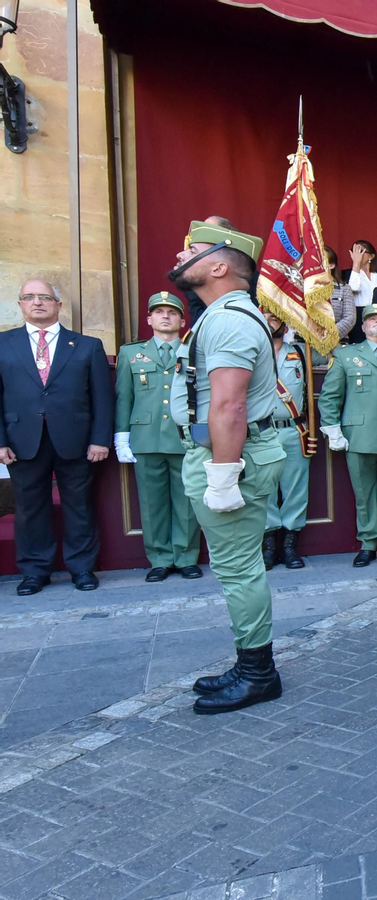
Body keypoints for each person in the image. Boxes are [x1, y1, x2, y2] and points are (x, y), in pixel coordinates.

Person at [167, 219, 287, 714]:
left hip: (231, 457)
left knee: (239, 569)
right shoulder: (221, 314)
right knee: (236, 568)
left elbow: (229, 407)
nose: (179, 254)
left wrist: (222, 474)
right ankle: (251, 663)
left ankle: (259, 673)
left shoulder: (231, 319)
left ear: (218, 264)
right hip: (226, 453)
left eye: (190, 249)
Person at [0, 280, 113, 594]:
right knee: (29, 508)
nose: (37, 302)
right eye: (29, 297)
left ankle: (81, 568)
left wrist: (100, 439)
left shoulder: (87, 346)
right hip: (22, 440)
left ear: (59, 305)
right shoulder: (3, 343)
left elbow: (102, 399)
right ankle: (35, 571)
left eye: (45, 297)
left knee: (79, 506)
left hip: (76, 441)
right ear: (20, 304)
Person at [115, 291, 203, 583]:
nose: (165, 316)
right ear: (149, 319)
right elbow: (123, 398)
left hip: (185, 438)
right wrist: (121, 437)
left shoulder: (194, 350)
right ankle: (160, 559)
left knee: (187, 502)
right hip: (147, 437)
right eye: (159, 312)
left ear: (181, 319)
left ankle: (186, 557)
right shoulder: (131, 353)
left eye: (172, 312)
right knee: (152, 504)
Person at [319, 306, 377, 566]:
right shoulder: (345, 356)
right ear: (364, 327)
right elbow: (330, 397)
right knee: (363, 493)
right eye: (371, 320)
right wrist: (332, 430)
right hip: (358, 435)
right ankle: (368, 542)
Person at [261, 309, 314, 571]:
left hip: (295, 429)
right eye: (267, 317)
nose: (272, 322)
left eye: (276, 317)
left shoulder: (301, 352)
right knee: (266, 489)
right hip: (263, 430)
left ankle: (290, 546)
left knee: (295, 488)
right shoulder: (253, 352)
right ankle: (269, 546)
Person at [323, 245, 358, 341]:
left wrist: (329, 335)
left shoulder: (344, 288)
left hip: (336, 341)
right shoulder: (303, 287)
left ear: (332, 265)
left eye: (322, 259)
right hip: (307, 343)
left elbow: (350, 318)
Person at [345, 240, 377, 315]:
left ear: (371, 256)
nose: (357, 254)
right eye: (354, 251)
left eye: (360, 251)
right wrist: (356, 263)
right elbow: (353, 289)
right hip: (357, 315)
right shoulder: (345, 274)